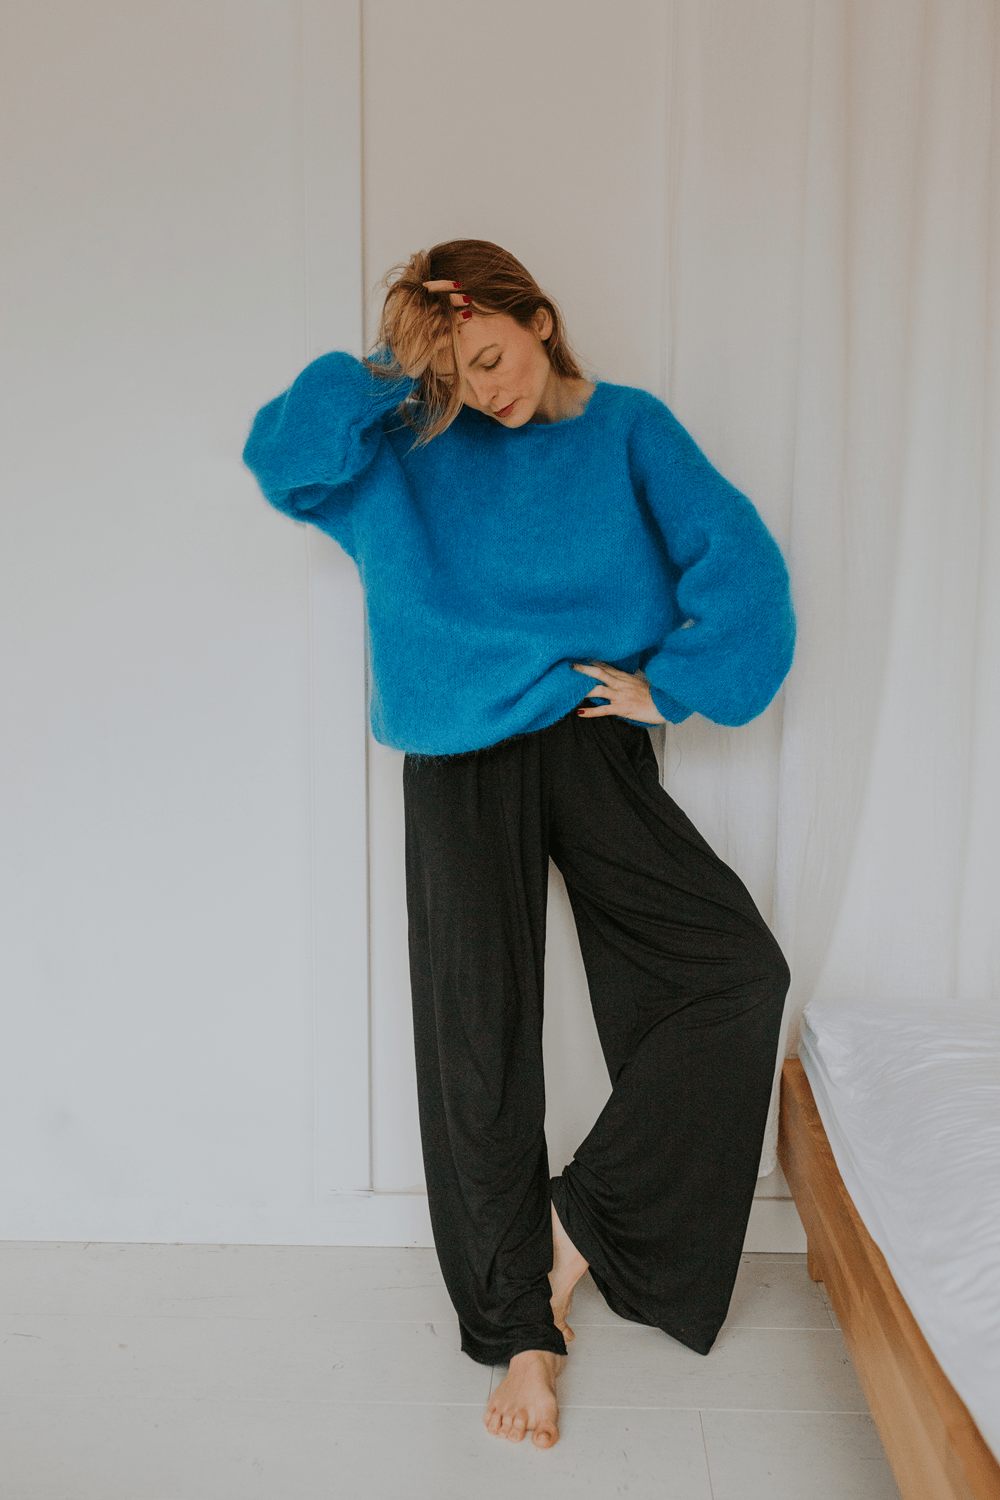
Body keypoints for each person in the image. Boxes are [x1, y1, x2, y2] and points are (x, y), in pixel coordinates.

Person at [243, 239, 794, 1450]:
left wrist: (674, 685)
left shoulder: (628, 427)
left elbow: (740, 559)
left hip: (590, 737)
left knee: (733, 975)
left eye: (490, 357)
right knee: (478, 1043)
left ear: (538, 319)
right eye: (456, 373)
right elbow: (282, 460)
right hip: (456, 761)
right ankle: (519, 1329)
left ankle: (574, 1227)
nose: (481, 390)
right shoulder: (407, 438)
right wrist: (403, 366)